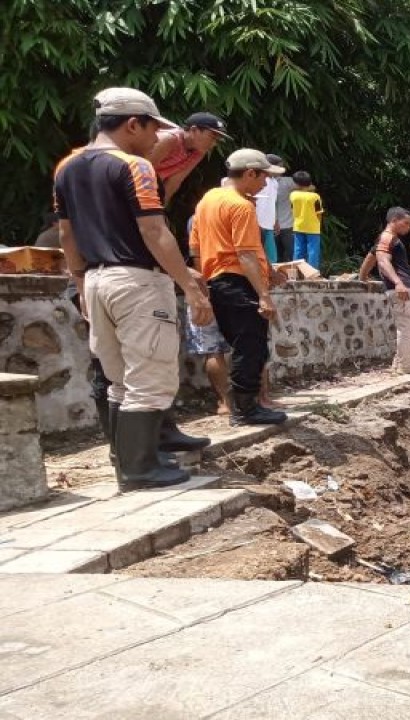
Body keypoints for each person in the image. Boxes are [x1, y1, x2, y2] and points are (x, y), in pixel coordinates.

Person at [53, 87, 214, 488]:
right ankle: (142, 469)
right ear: (132, 124)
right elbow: (154, 231)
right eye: (152, 128)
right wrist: (189, 286)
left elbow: (66, 234)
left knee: (119, 380)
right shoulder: (136, 167)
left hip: (95, 280)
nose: (157, 137)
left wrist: (80, 282)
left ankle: (126, 464)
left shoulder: (66, 168)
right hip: (136, 281)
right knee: (150, 377)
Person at [190, 148, 288, 426]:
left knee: (243, 345)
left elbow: (195, 247)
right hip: (237, 281)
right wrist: (264, 295)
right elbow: (245, 254)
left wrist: (203, 282)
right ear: (250, 173)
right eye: (264, 177)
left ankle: (242, 406)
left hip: (217, 281)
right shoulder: (241, 206)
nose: (266, 183)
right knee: (251, 346)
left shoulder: (208, 199)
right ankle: (246, 410)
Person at [185, 215, 233, 415]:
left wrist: (202, 289)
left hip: (205, 286)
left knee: (213, 350)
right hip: (232, 286)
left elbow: (195, 256)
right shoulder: (235, 215)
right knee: (247, 345)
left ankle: (225, 402)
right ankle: (256, 398)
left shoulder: (196, 220)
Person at [373, 207, 410, 374]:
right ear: (394, 220)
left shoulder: (386, 240)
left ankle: (400, 363)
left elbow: (372, 256)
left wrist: (362, 276)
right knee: (407, 329)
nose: (408, 227)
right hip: (402, 291)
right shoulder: (387, 237)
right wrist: (398, 283)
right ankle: (407, 366)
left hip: (405, 290)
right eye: (406, 223)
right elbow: (382, 260)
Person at [149, 112, 231, 201]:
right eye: (212, 136)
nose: (214, 143)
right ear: (193, 130)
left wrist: (160, 205)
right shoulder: (170, 139)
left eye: (217, 140)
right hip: (140, 182)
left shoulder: (199, 151)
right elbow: (143, 169)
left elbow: (175, 181)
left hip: (151, 187)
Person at [289, 170, 323, 270]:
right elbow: (319, 213)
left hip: (298, 225)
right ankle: (312, 272)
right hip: (313, 227)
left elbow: (292, 208)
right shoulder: (315, 197)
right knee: (313, 251)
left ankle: (296, 271)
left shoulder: (293, 195)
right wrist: (319, 224)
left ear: (296, 183)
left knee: (298, 250)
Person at [254, 157, 280, 264]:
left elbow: (273, 202)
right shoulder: (257, 180)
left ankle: (270, 272)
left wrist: (276, 220)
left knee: (271, 256)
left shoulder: (274, 182)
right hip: (257, 222)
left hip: (269, 222)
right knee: (258, 253)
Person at [270, 155, 295, 262]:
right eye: (280, 166)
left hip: (287, 225)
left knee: (292, 255)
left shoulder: (288, 181)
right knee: (274, 258)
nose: (282, 169)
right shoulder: (261, 182)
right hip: (269, 227)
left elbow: (308, 186)